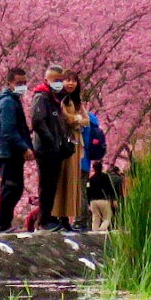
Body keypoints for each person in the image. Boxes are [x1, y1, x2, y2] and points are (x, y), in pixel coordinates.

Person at [0, 67, 32, 233]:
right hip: (8, 151)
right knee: (11, 187)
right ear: (9, 83)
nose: (22, 86)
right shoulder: (7, 102)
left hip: (10, 150)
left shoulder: (13, 101)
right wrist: (24, 147)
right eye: (19, 83)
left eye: (24, 83)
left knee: (15, 187)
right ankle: (0, 223)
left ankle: (3, 222)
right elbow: (8, 130)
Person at [29, 66, 72, 231]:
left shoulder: (55, 100)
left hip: (55, 150)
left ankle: (50, 217)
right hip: (46, 150)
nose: (59, 84)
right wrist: (52, 141)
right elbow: (38, 122)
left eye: (61, 80)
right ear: (47, 80)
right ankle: (44, 219)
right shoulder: (41, 98)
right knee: (46, 185)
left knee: (52, 185)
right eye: (56, 81)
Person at [56, 72, 89, 230]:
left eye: (74, 80)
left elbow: (86, 120)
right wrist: (76, 119)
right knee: (64, 179)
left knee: (73, 181)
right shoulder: (60, 99)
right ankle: (60, 217)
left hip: (75, 143)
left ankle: (68, 218)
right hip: (65, 143)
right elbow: (66, 118)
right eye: (67, 80)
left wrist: (76, 118)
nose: (71, 83)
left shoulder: (76, 100)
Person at [86, 161, 118, 232]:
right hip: (104, 199)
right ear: (102, 167)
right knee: (107, 217)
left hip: (93, 201)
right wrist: (113, 199)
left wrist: (88, 202)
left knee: (95, 218)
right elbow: (110, 188)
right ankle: (101, 229)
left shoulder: (90, 179)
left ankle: (94, 231)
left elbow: (88, 191)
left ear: (93, 169)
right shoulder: (106, 177)